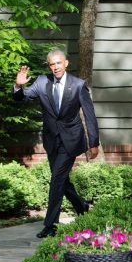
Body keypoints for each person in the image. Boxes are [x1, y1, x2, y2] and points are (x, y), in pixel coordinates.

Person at [13, 49, 100, 238]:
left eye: (58, 63)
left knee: (56, 179)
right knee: (62, 180)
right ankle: (82, 206)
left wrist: (93, 143)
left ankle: (51, 225)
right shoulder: (42, 82)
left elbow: (89, 115)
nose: (55, 67)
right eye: (52, 64)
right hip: (51, 140)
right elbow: (21, 98)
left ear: (66, 63)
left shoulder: (78, 85)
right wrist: (18, 86)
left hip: (71, 140)